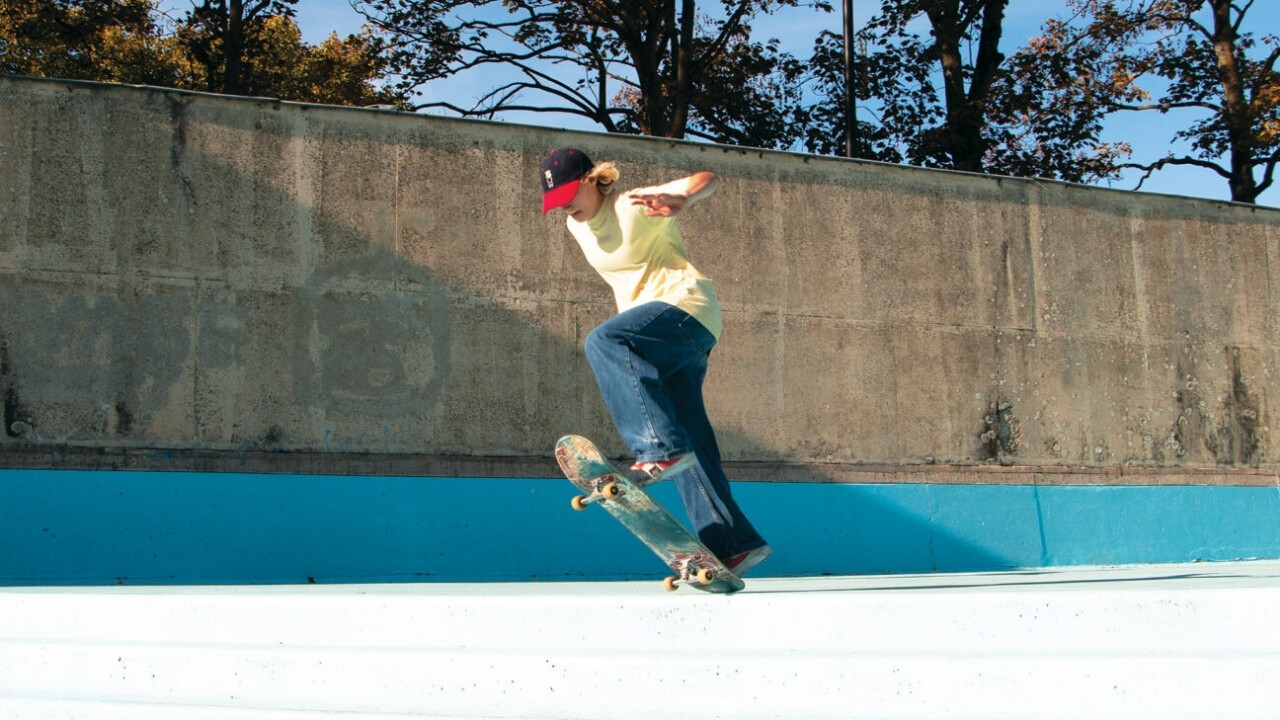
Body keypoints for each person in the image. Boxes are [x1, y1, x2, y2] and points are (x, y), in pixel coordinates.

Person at [538, 147, 771, 576]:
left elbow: (707, 178)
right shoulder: (576, 225)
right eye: (557, 202)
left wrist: (684, 197)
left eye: (570, 195)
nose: (566, 207)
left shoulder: (633, 204)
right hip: (660, 338)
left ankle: (657, 448)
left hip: (684, 310)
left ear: (592, 180)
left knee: (604, 341)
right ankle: (733, 542)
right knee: (689, 438)